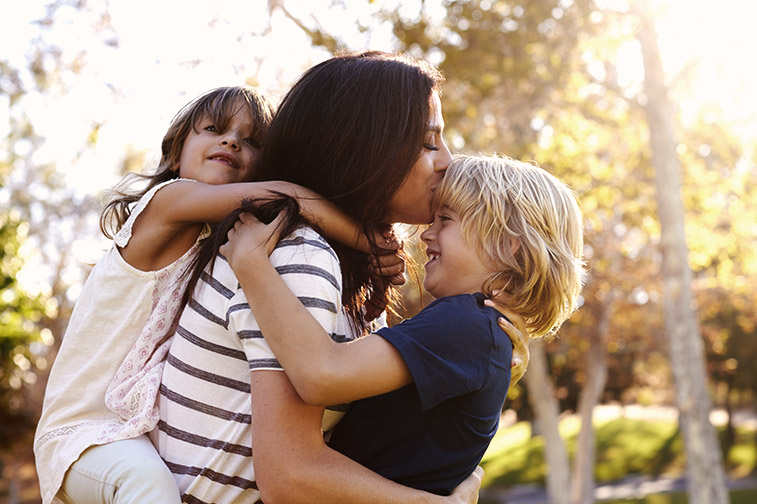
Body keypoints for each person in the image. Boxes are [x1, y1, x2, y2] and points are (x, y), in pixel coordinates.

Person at [155, 52, 529, 504]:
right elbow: (291, 476)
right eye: (429, 141)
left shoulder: (344, 263)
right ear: (366, 147)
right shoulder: (296, 256)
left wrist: (482, 359)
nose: (448, 160)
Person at [33, 85, 384, 504]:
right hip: (83, 431)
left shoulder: (215, 244)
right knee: (149, 486)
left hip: (134, 429)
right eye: (214, 128)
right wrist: (372, 245)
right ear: (175, 153)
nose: (232, 140)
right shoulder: (166, 201)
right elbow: (287, 198)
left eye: (251, 140)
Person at [222, 153, 586, 495]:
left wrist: (251, 262)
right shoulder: (481, 330)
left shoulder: (466, 323)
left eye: (446, 219)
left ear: (509, 247)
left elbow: (321, 373)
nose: (427, 233)